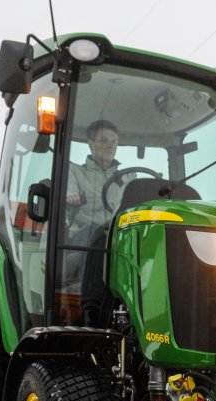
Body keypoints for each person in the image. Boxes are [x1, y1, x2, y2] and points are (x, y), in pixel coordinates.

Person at [63, 120, 137, 325]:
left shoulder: (129, 176)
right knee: (101, 236)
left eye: (114, 141)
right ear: (91, 144)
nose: (111, 145)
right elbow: (67, 194)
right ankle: (92, 310)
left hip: (119, 236)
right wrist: (70, 196)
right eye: (104, 140)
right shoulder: (74, 171)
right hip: (83, 236)